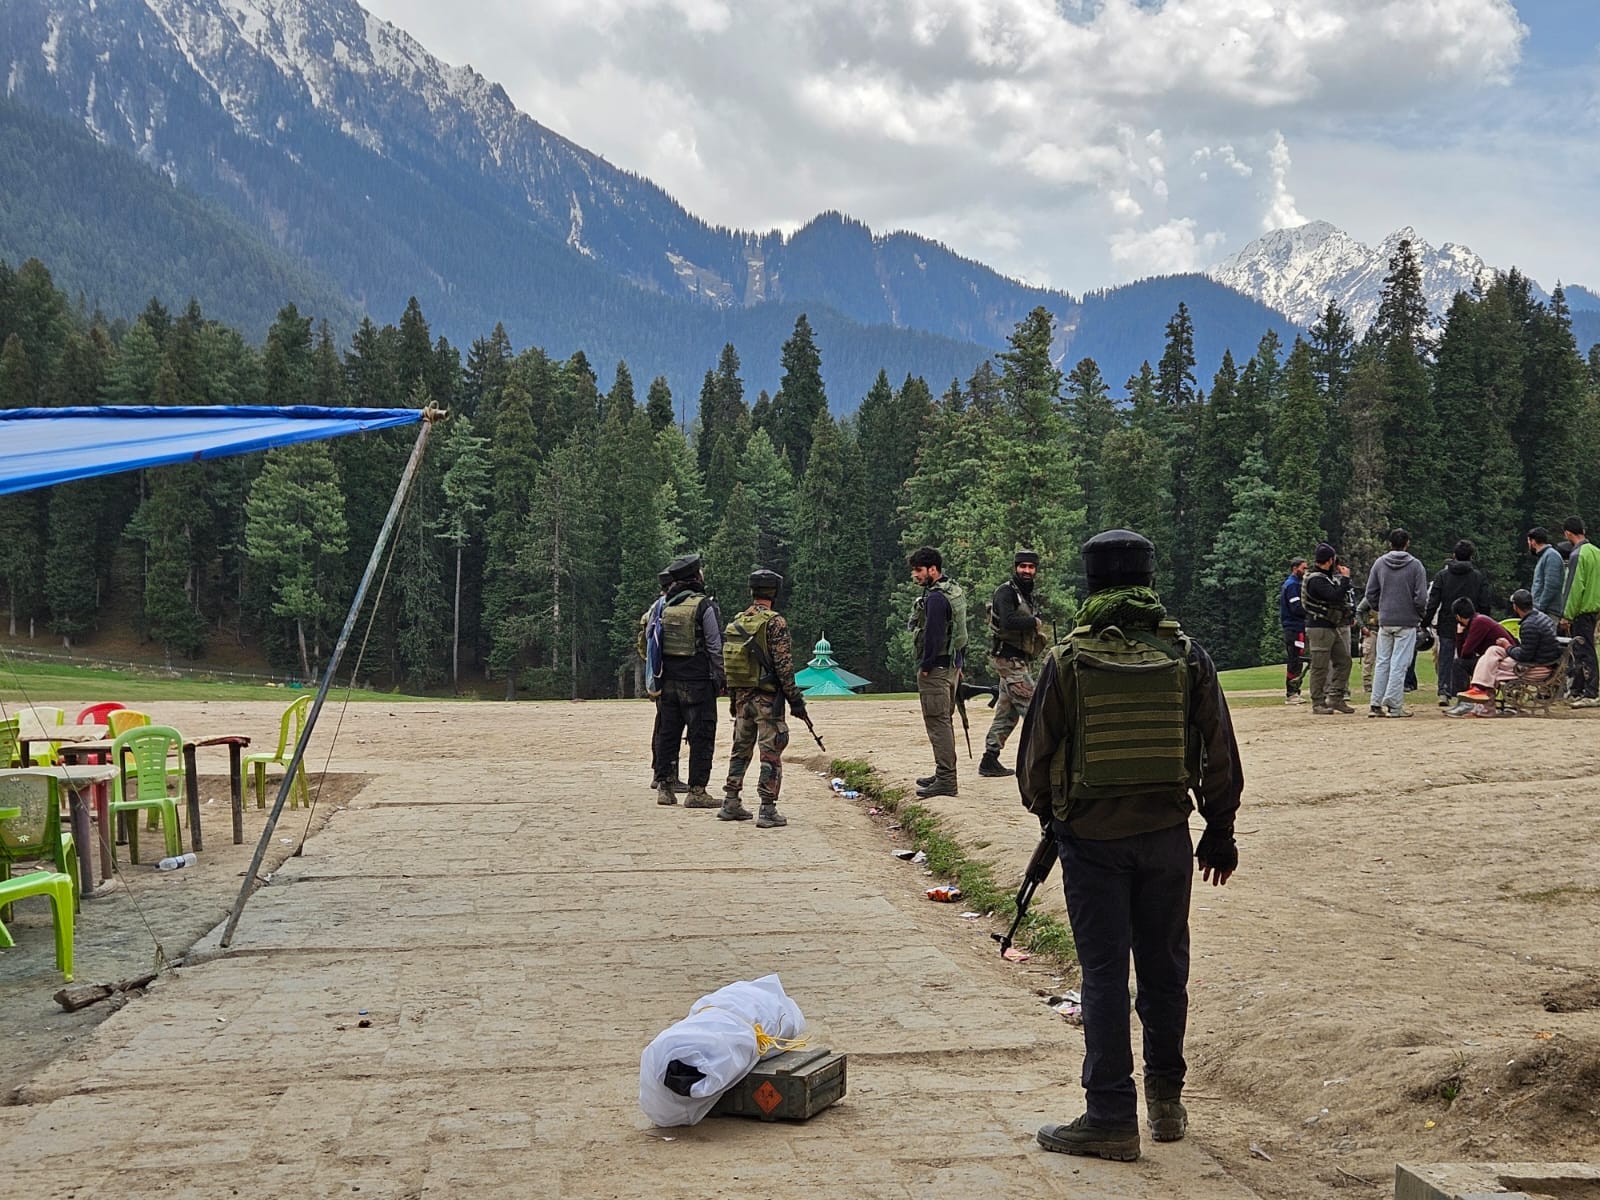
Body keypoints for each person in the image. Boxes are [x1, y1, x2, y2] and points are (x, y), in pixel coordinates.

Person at [1018, 529, 1242, 1164]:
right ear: (1148, 579)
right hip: (1169, 838)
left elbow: (1033, 765)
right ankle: (1167, 1104)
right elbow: (1219, 751)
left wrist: (1056, 817)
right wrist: (1218, 831)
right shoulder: (1186, 654)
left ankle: (1111, 1115)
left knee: (1105, 977)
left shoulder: (1068, 658)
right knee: (1166, 972)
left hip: (1091, 842)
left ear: (1091, 583)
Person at [719, 569, 808, 828]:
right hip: (767, 700)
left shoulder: (738, 622)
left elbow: (731, 665)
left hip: (741, 697)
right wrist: (796, 700)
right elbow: (784, 666)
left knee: (740, 749)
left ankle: (731, 801)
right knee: (771, 752)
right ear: (775, 593)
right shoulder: (774, 622)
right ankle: (767, 808)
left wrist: (734, 700)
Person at [651, 553, 724, 807]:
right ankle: (696, 791)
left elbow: (653, 641)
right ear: (696, 576)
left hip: (669, 681)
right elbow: (715, 646)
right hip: (698, 682)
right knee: (702, 735)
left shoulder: (664, 605)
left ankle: (665, 787)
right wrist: (720, 678)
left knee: (669, 734)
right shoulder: (704, 605)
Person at [980, 549, 1049, 778]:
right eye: (1023, 566)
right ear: (1016, 567)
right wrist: (1034, 621)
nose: (1027, 571)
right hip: (1009, 661)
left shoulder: (1025, 594)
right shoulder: (1006, 592)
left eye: (1031, 567)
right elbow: (1008, 621)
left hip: (1017, 660)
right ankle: (1043, 763)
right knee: (1035, 711)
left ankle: (989, 759)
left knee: (1007, 713)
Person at [909, 546, 968, 798]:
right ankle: (942, 771)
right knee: (945, 719)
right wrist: (960, 663)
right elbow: (960, 631)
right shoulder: (953, 590)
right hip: (952, 666)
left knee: (937, 722)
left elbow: (933, 634)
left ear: (933, 569)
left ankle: (946, 778)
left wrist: (926, 665)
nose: (915, 575)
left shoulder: (935, 598)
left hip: (937, 669)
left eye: (919, 570)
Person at [1452, 590, 1561, 716]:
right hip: (1541, 662)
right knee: (1493, 650)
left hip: (1537, 668)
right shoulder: (1541, 617)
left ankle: (1485, 706)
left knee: (1491, 669)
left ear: (1515, 606)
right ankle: (1478, 690)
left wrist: (1507, 646)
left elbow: (1524, 656)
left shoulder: (1530, 625)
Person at [1364, 529, 1428, 718]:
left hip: (1385, 620)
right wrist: (1419, 613)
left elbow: (1370, 593)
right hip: (1407, 621)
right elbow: (1421, 597)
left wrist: (1380, 608)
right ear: (1407, 543)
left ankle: (1375, 703)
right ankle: (1394, 704)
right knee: (1400, 663)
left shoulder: (1379, 563)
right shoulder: (1415, 565)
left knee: (1382, 661)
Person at [1422, 540, 1493, 707]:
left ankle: (1444, 691)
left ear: (1454, 556)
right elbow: (1485, 603)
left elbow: (1433, 602)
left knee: (1445, 658)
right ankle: (1472, 689)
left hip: (1447, 622)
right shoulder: (1477, 577)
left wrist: (1425, 621)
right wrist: (1483, 622)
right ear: (1471, 557)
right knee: (1469, 657)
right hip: (1472, 624)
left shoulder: (1442, 576)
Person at [638, 569, 687, 798]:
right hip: (669, 675)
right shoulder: (670, 606)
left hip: (656, 674)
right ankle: (666, 775)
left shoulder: (654, 608)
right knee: (670, 727)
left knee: (662, 725)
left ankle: (658, 772)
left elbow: (643, 641)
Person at [1302, 543, 1355, 714]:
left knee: (1344, 661)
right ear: (1330, 560)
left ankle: (1335, 697)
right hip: (1319, 627)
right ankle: (1318, 702)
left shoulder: (1324, 577)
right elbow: (1334, 597)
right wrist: (1345, 579)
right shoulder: (1316, 579)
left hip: (1330, 626)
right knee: (1320, 666)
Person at [1559, 517, 1600, 706]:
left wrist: (1566, 614)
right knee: (1586, 649)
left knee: (1584, 651)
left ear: (1568, 533)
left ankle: (1590, 693)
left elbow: (1575, 587)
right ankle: (1579, 690)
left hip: (1581, 610)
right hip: (1595, 608)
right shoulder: (1596, 552)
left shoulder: (1577, 555)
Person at [1278, 556, 1309, 704]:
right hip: (1293, 627)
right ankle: (1291, 693)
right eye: (1303, 568)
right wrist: (1311, 612)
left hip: (1298, 627)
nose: (1305, 571)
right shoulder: (1292, 585)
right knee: (1295, 659)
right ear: (1295, 568)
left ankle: (1295, 690)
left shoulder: (1298, 584)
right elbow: (1296, 608)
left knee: (1299, 659)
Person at [1528, 527, 1565, 618]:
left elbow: (1551, 585)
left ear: (1533, 541)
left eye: (1528, 541)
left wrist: (1540, 607)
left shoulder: (1551, 556)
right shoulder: (1544, 556)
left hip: (1548, 612)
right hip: (1542, 611)